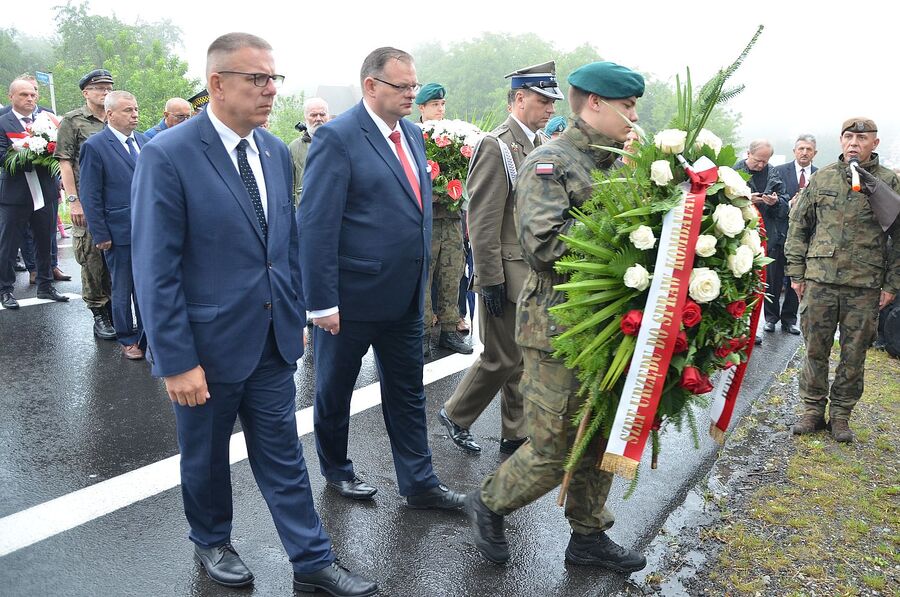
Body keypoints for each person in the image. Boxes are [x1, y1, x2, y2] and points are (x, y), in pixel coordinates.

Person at [130, 33, 377, 597]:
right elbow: (154, 268)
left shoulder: (270, 150)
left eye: (273, 79)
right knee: (206, 456)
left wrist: (294, 314)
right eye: (256, 79)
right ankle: (212, 538)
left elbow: (283, 244)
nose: (270, 90)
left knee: (283, 454)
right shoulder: (169, 154)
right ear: (217, 84)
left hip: (270, 340)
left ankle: (311, 559)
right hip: (205, 347)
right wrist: (176, 360)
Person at [465, 61, 647, 573]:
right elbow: (544, 247)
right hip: (558, 328)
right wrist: (624, 204)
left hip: (611, 326)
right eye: (627, 106)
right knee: (554, 445)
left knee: (602, 435)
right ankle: (488, 502)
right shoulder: (550, 162)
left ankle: (588, 535)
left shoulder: (620, 163)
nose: (635, 117)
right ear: (595, 103)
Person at [299, 47, 463, 510]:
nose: (412, 94)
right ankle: (336, 469)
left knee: (408, 392)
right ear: (371, 85)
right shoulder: (337, 137)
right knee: (335, 391)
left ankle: (419, 482)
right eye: (402, 86)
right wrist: (321, 302)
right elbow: (316, 224)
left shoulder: (411, 134)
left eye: (414, 85)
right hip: (351, 298)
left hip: (405, 296)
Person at [439, 62, 560, 454]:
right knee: (501, 357)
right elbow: (483, 220)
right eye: (543, 100)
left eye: (553, 102)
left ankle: (515, 430)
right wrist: (489, 278)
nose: (551, 108)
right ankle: (456, 414)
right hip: (505, 273)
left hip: (531, 271)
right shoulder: (497, 145)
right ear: (519, 98)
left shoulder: (541, 144)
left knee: (522, 356)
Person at [786, 117, 900, 443]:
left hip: (865, 285)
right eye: (849, 137)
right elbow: (799, 226)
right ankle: (812, 410)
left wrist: (892, 284)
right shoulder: (822, 177)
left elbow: (899, 238)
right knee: (814, 348)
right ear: (840, 140)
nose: (854, 143)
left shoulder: (888, 182)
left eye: (862, 139)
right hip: (820, 280)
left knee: (854, 354)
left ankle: (840, 415)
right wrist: (796, 273)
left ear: (874, 144)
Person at [78, 91, 148, 360]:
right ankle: (127, 338)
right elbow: (90, 194)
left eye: (136, 109)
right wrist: (101, 233)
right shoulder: (95, 146)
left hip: (147, 230)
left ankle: (146, 336)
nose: (135, 115)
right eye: (128, 110)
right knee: (123, 287)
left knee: (145, 286)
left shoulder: (143, 141)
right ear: (110, 114)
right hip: (118, 232)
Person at [55, 69, 117, 339]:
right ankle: (99, 313)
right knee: (92, 258)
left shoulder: (116, 116)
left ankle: (115, 310)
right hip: (87, 200)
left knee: (115, 257)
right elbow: (65, 162)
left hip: (115, 200)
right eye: (100, 88)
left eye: (109, 88)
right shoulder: (73, 120)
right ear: (86, 92)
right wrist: (74, 201)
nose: (105, 92)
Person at [0, 78, 69, 309]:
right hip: (15, 195)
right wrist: (31, 153)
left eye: (32, 94)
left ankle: (45, 285)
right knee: (9, 245)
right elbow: (2, 157)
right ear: (11, 96)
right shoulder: (3, 123)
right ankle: (5, 289)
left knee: (45, 239)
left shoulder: (47, 120)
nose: (30, 98)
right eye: (23, 95)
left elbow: (60, 151)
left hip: (45, 191)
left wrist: (48, 153)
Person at [415, 82, 470, 355]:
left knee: (452, 274)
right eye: (435, 105)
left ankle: (449, 330)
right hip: (424, 220)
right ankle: (423, 334)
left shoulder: (455, 137)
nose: (440, 109)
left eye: (442, 104)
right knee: (423, 278)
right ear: (421, 108)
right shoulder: (413, 136)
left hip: (451, 218)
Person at [734, 139, 787, 344]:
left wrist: (775, 202)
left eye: (765, 161)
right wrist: (747, 199)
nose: (761, 165)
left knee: (758, 284)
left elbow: (785, 203)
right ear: (748, 153)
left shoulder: (774, 174)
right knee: (739, 284)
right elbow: (723, 198)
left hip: (765, 236)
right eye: (758, 160)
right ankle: (735, 328)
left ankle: (751, 328)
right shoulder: (735, 172)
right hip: (739, 235)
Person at [772, 134, 818, 335]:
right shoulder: (779, 171)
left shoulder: (820, 175)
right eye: (801, 149)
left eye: (809, 149)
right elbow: (772, 202)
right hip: (780, 234)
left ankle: (789, 319)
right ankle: (770, 318)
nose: (804, 153)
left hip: (805, 239)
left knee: (797, 278)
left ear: (815, 153)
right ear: (794, 151)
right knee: (774, 278)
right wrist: (790, 203)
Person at [287, 97, 329, 204]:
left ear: (328, 117)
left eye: (322, 114)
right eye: (313, 115)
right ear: (305, 118)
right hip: (306, 209)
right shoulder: (294, 147)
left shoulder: (341, 143)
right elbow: (288, 186)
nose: (318, 119)